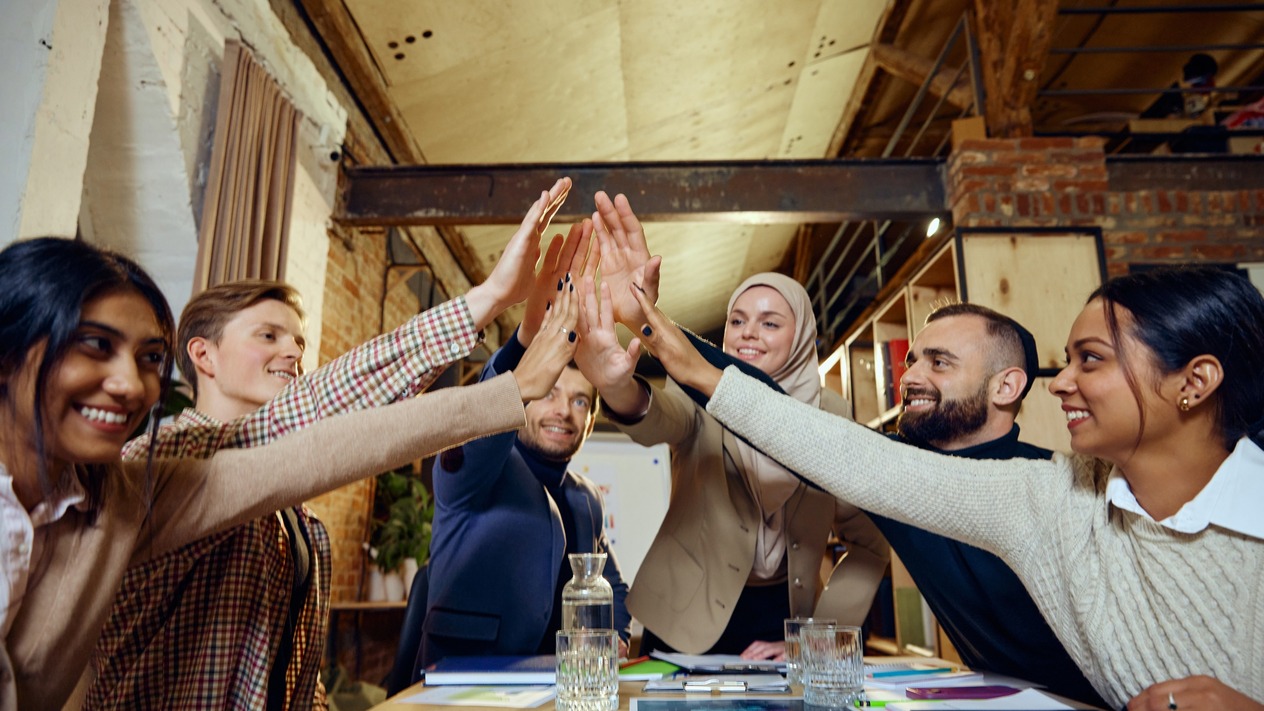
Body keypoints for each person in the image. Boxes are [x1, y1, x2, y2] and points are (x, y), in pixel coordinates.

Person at [628, 265, 1264, 710]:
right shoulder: (1042, 497)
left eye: (1090, 360)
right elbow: (828, 445)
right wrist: (669, 345)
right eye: (912, 358)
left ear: (1195, 381)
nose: (1061, 382)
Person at [0, 235, 579, 711]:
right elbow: (321, 415)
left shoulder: (119, 496)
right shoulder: (168, 456)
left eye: (149, 357)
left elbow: (285, 667)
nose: (128, 383)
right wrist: (491, 313)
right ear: (202, 356)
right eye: (268, 336)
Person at [575, 192, 888, 658]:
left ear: (801, 337)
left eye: (769, 323)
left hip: (787, 618)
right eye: (738, 320)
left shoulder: (832, 415)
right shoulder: (702, 393)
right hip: (684, 616)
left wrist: (822, 637)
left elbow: (868, 543)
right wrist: (616, 386)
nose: (747, 333)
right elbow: (662, 417)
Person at [423, 227, 633, 667]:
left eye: (579, 401)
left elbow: (610, 582)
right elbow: (479, 423)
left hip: (559, 686)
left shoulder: (585, 497)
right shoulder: (481, 467)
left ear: (592, 420)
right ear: (528, 391)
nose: (565, 411)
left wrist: (618, 635)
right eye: (550, 393)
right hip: (465, 683)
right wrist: (522, 348)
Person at [878, 303, 1105, 708]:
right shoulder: (895, 473)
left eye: (939, 363)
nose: (909, 377)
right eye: (912, 362)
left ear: (1005, 387)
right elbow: (783, 423)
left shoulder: (1063, 486)